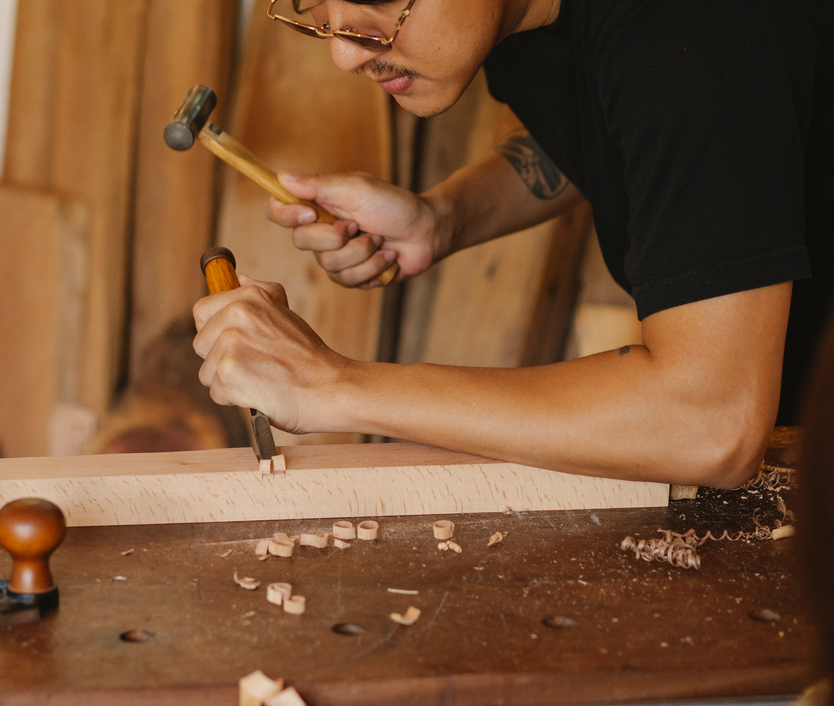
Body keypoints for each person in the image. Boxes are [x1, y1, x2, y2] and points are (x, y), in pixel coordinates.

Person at [192, 0, 832, 488]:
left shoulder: (695, 28)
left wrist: (332, 385)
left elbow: (709, 420)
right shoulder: (522, 19)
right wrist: (445, 217)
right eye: (313, 6)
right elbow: (625, 131)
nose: (346, 53)